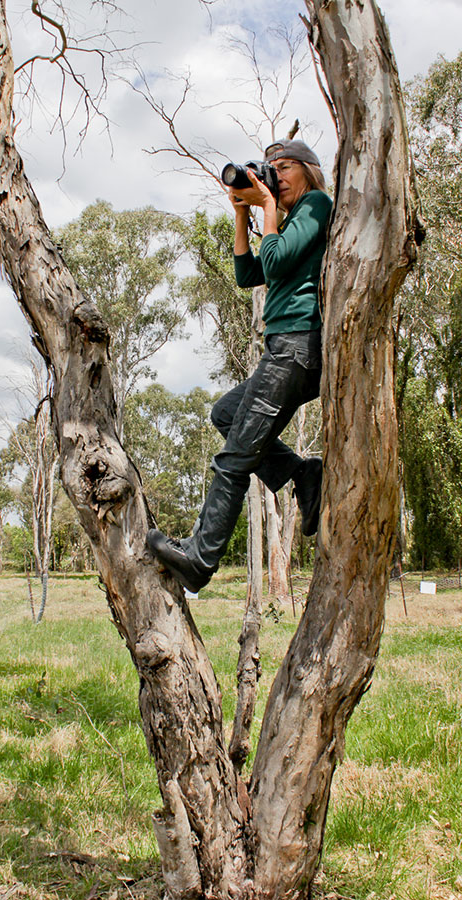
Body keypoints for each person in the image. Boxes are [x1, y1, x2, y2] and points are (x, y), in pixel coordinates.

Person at [147, 138, 333, 593]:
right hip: (285, 349)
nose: (277, 175)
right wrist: (239, 213)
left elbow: (274, 258)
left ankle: (200, 559)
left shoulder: (315, 205)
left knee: (234, 460)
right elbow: (248, 273)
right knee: (225, 415)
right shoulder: (289, 223)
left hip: (296, 346)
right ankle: (303, 473)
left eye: (285, 167)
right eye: (271, 169)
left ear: (309, 171)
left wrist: (266, 204)